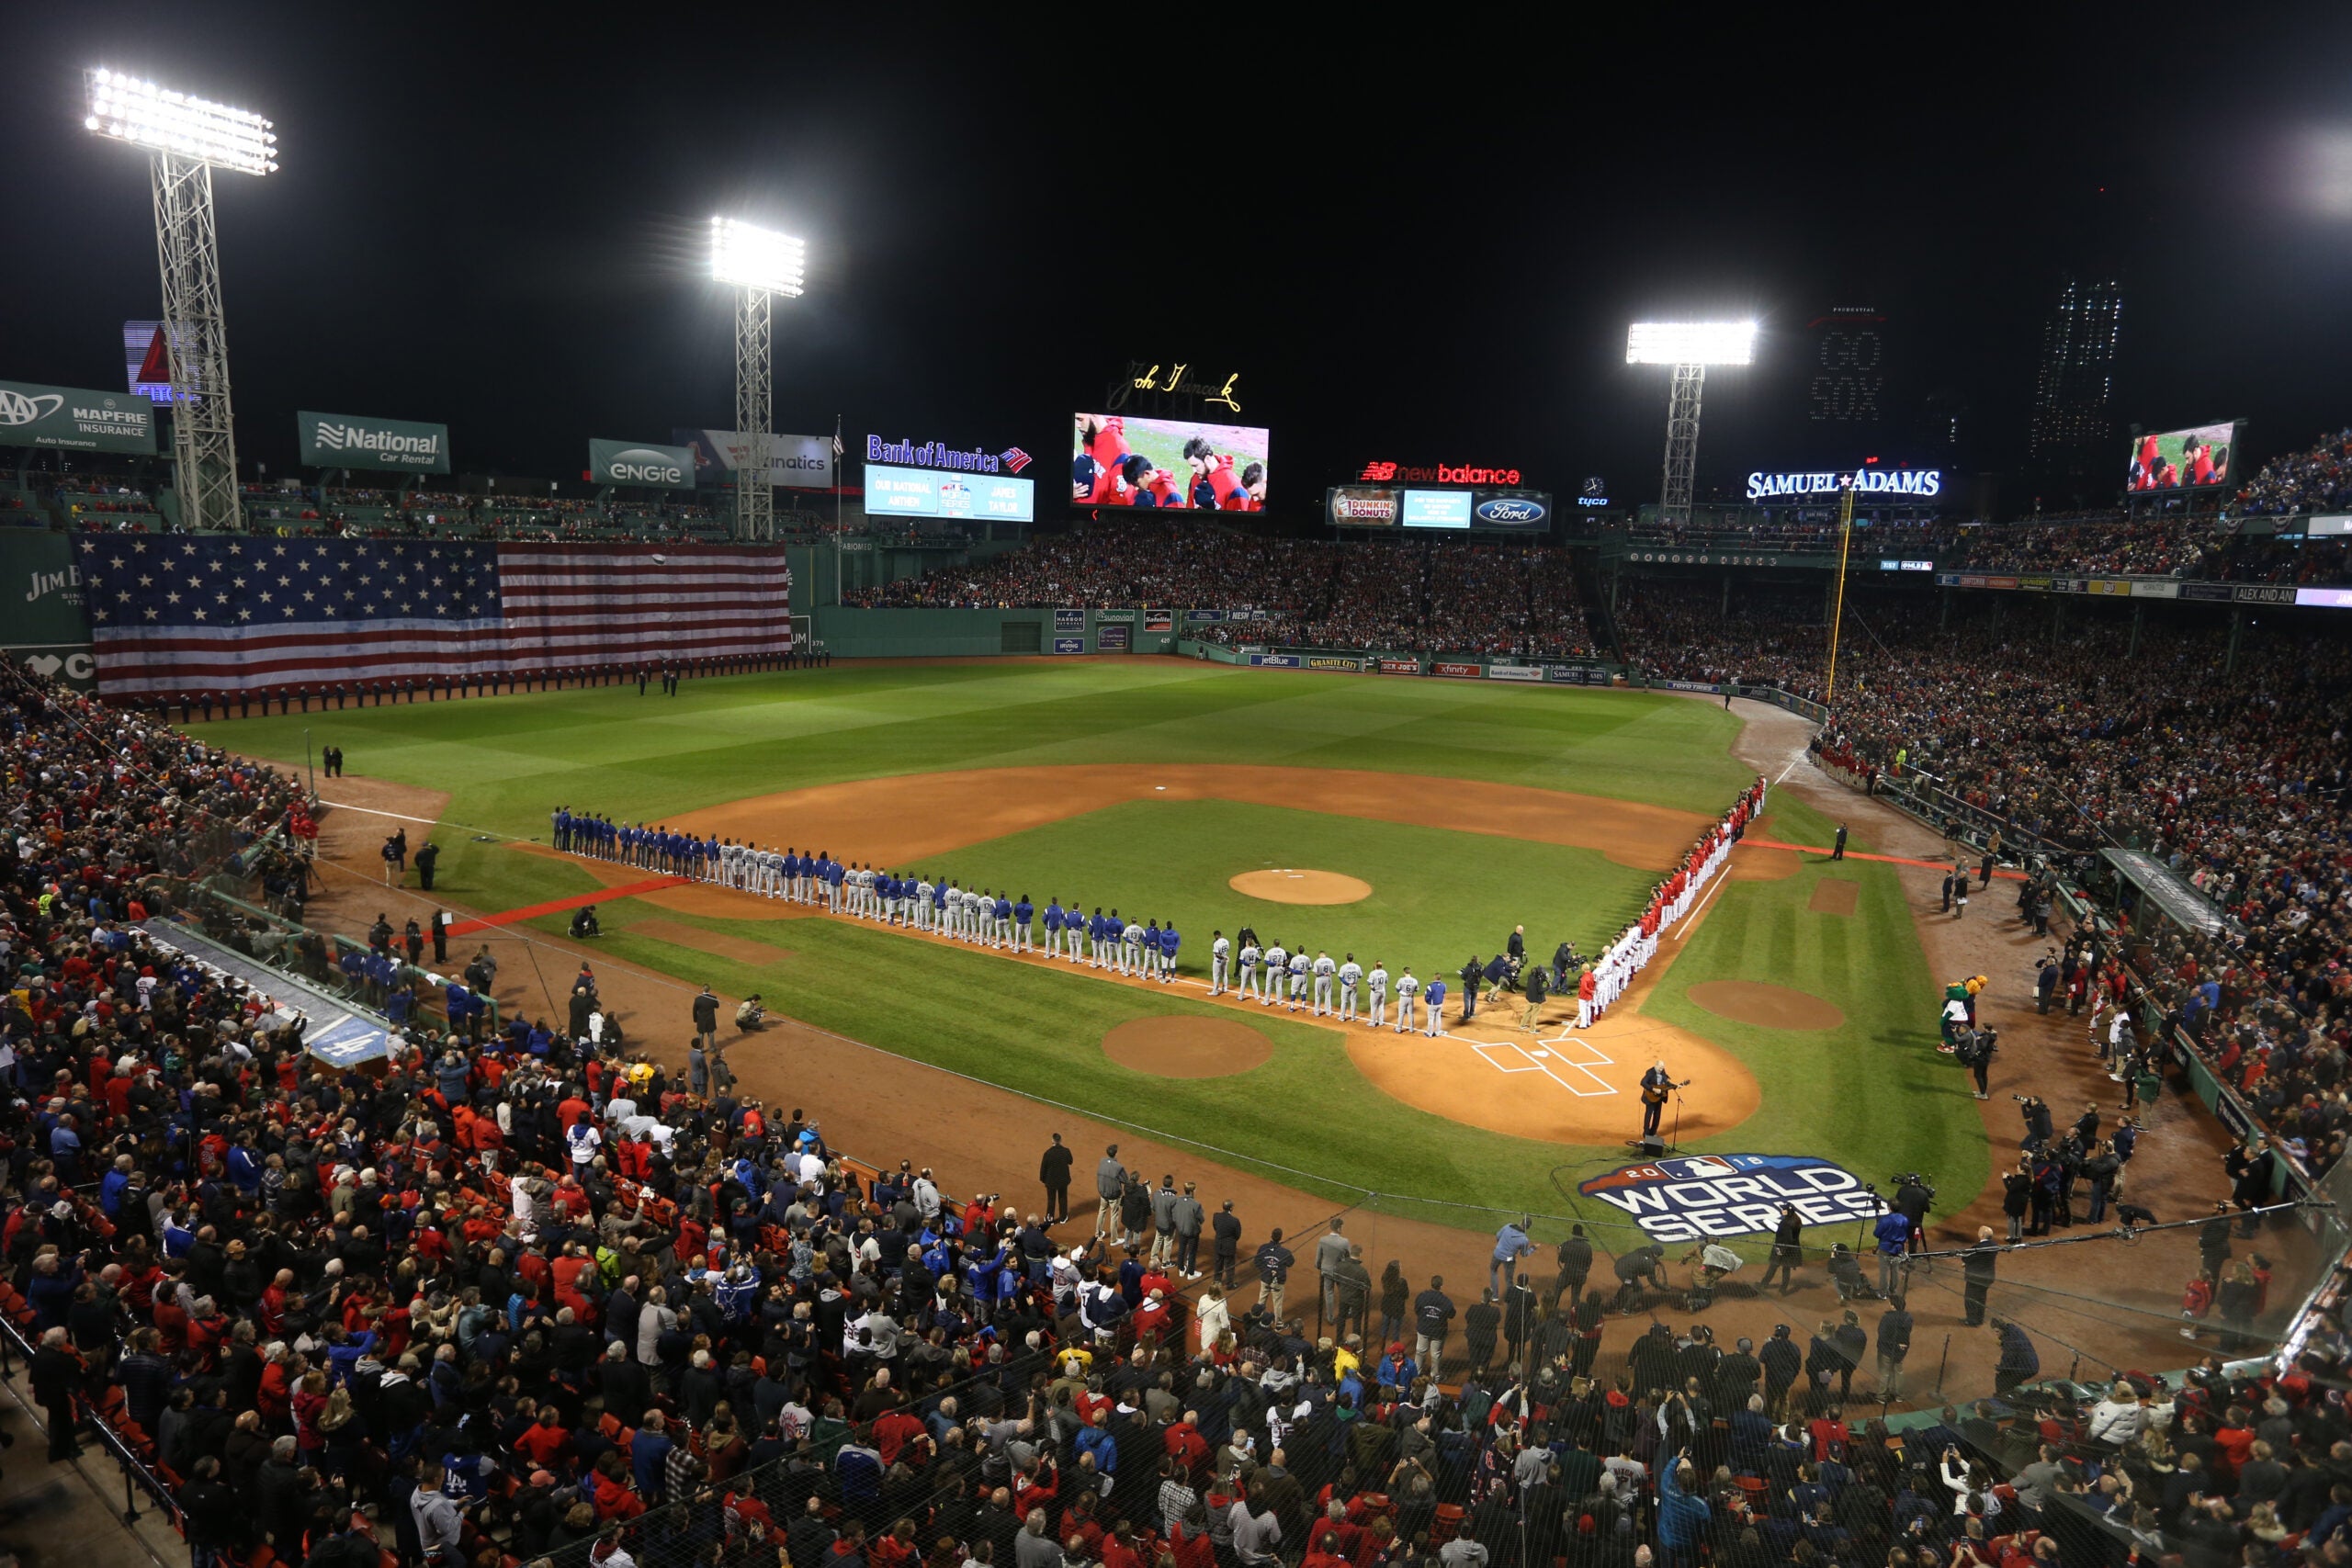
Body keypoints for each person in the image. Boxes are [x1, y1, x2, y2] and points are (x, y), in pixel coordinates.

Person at [1962, 1226, 1999, 1325]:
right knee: (1981, 1298)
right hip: (1988, 1277)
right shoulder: (1995, 1245)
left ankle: (1972, 1320)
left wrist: (1966, 1262)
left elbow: (1965, 1258)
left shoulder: (1977, 1248)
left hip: (1975, 1278)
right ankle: (1979, 1319)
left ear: (1982, 1235)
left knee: (1971, 1298)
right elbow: (1981, 1259)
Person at [1039, 1134, 1073, 1224]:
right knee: (1063, 1198)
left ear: (1052, 1141)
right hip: (1063, 1180)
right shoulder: (1066, 1151)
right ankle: (1063, 1218)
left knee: (1051, 1199)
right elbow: (1070, 1161)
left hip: (1051, 1181)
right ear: (1060, 1141)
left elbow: (1043, 1168)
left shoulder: (1048, 1153)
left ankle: (1050, 1219)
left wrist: (1043, 1179)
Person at [692, 985, 718, 1050]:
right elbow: (717, 1006)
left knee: (701, 1034)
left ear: (702, 989)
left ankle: (701, 1048)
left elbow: (694, 1010)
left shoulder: (698, 999)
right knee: (711, 1033)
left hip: (701, 1020)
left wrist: (695, 1020)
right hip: (710, 1019)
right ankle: (712, 1048)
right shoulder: (713, 998)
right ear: (709, 990)